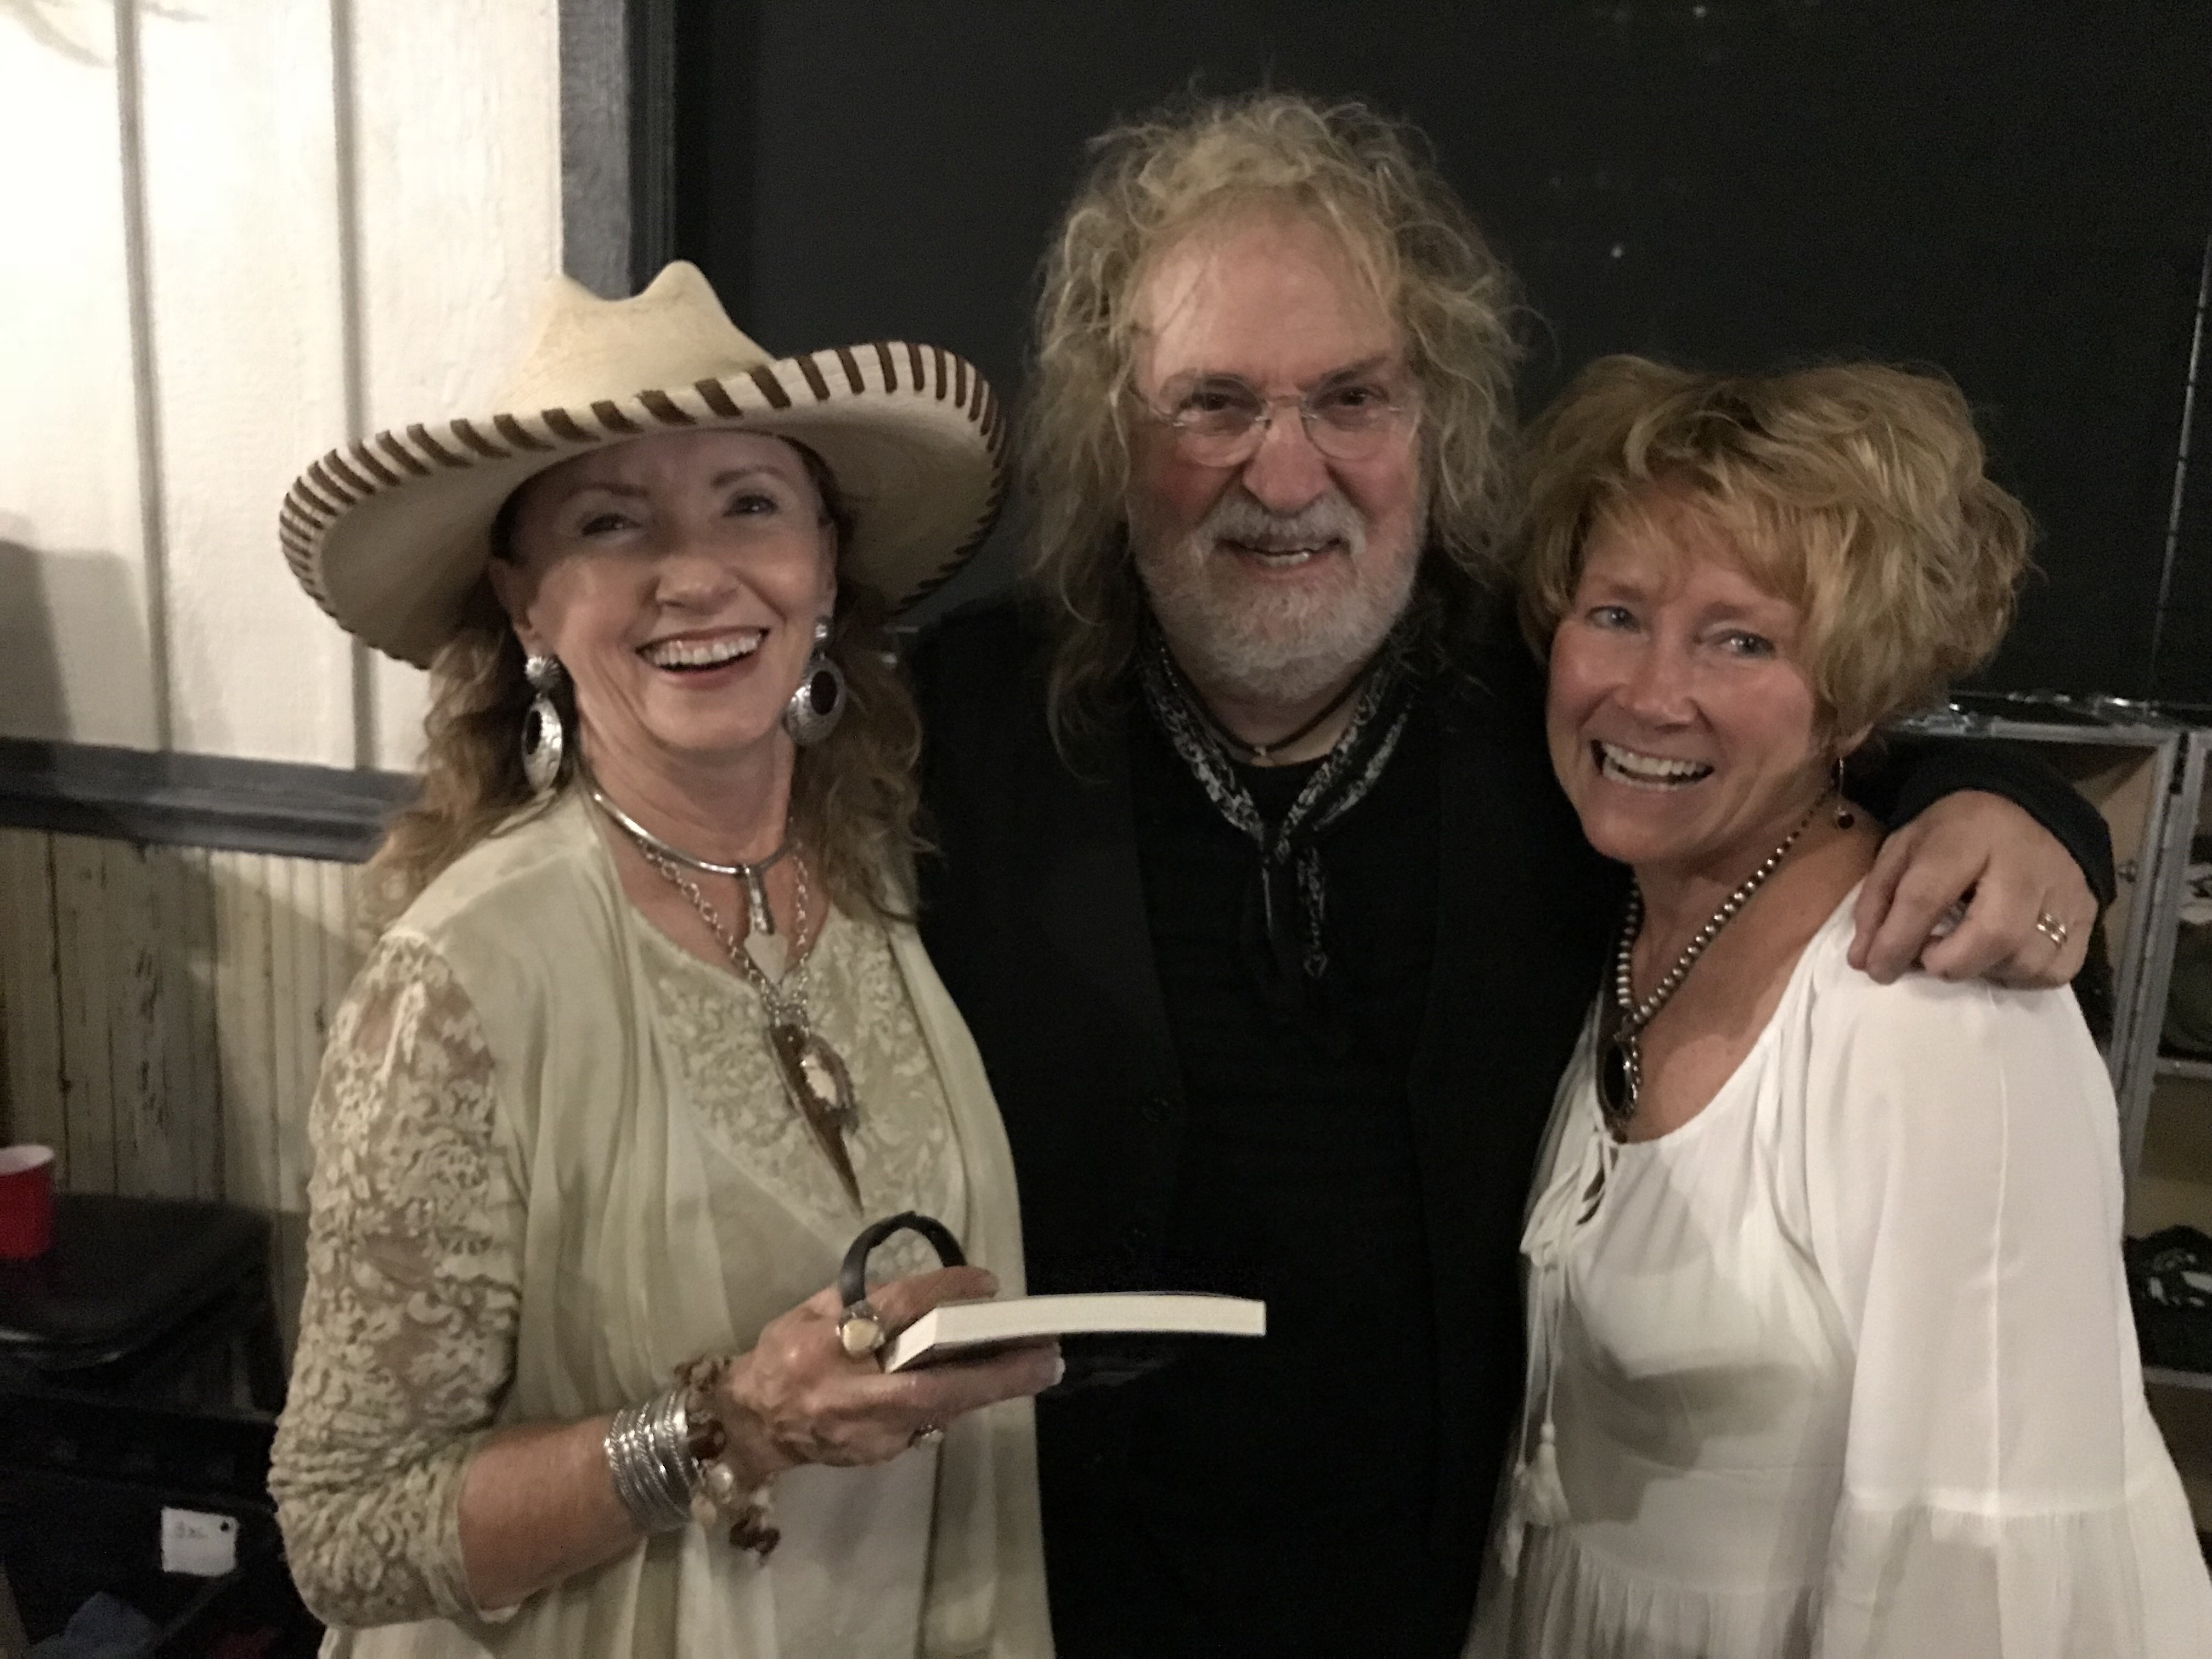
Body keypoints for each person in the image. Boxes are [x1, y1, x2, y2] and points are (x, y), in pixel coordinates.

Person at [907, 93, 2115, 1658]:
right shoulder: (960, 726)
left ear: (1437, 417)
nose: (1288, 473)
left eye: (1353, 397)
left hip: (1449, 1598)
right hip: (1045, 1592)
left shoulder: (1560, 693)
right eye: (1213, 404)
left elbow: (1810, 755)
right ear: (1112, 436)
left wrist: (2021, 805)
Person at [268, 262, 1058, 1658]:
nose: (695, 574)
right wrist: (728, 1427)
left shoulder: (876, 882)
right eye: (610, 522)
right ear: (525, 605)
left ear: (825, 562)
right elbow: (344, 1531)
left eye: (750, 503)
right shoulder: (459, 983)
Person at [1466, 354, 2212, 1656]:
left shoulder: (1935, 1014)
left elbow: (1981, 1562)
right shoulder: (1617, 914)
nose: (1650, 692)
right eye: (1617, 614)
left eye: (1742, 639)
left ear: (1855, 696)